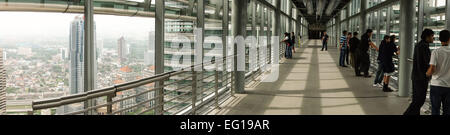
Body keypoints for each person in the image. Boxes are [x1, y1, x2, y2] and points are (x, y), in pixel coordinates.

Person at [403, 29, 434, 115]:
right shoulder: (424, 46)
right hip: (421, 77)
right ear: (427, 37)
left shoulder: (419, 45)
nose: (433, 38)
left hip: (416, 76)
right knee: (419, 101)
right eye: (432, 36)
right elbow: (427, 62)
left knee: (416, 99)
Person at [426, 30, 450, 115]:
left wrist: (426, 74)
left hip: (436, 85)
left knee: (435, 109)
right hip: (448, 85)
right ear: (449, 39)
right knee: (447, 110)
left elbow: (432, 69)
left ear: (439, 39)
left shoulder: (435, 52)